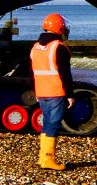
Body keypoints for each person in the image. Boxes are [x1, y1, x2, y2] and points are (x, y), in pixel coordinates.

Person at [30, 13, 74, 171]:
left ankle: (42, 157)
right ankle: (48, 159)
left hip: (41, 91)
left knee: (47, 123)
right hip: (56, 91)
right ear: (59, 28)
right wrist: (70, 95)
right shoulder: (58, 47)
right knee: (54, 124)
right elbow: (65, 74)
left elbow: (33, 71)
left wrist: (36, 91)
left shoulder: (35, 47)